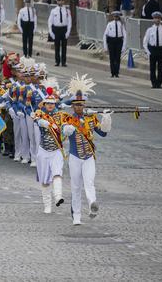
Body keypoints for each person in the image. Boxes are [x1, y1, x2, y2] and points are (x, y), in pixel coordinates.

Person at [60, 74, 111, 226]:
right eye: (76, 105)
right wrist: (67, 129)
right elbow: (64, 131)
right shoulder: (68, 118)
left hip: (89, 156)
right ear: (73, 106)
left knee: (89, 182)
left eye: (81, 104)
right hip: (75, 157)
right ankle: (76, 216)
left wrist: (106, 119)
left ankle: (92, 205)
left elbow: (103, 133)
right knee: (76, 187)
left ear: (84, 105)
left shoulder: (91, 118)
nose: (79, 107)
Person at [29, 81, 65, 214]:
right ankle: (47, 205)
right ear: (44, 104)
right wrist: (39, 121)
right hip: (43, 150)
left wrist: (67, 129)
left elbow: (66, 123)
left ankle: (58, 196)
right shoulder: (40, 114)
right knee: (45, 179)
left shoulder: (60, 115)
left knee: (57, 173)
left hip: (56, 150)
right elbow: (36, 119)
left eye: (52, 104)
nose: (50, 106)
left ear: (55, 104)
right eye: (47, 103)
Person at [143, 11, 162, 88]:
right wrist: (148, 52)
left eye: (158, 18)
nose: (157, 20)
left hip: (161, 49)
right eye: (155, 18)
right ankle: (154, 83)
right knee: (152, 68)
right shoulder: (150, 30)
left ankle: (159, 83)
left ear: (160, 19)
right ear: (153, 19)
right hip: (153, 49)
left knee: (160, 68)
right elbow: (145, 42)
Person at [48, 0, 71, 67]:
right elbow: (50, 21)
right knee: (57, 46)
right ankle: (57, 61)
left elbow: (69, 21)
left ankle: (63, 62)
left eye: (61, 1)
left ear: (63, 1)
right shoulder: (53, 11)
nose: (60, 2)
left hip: (64, 29)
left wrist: (68, 32)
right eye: (59, 1)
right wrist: (51, 32)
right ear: (57, 2)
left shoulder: (67, 11)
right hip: (56, 29)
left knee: (64, 47)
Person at [103, 11, 125, 78]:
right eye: (114, 16)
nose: (116, 17)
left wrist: (124, 46)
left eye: (117, 16)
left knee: (117, 58)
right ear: (113, 17)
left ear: (118, 17)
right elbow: (105, 35)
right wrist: (105, 46)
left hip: (118, 41)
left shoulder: (121, 24)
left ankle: (117, 73)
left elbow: (125, 35)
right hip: (111, 41)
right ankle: (112, 72)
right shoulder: (110, 24)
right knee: (112, 58)